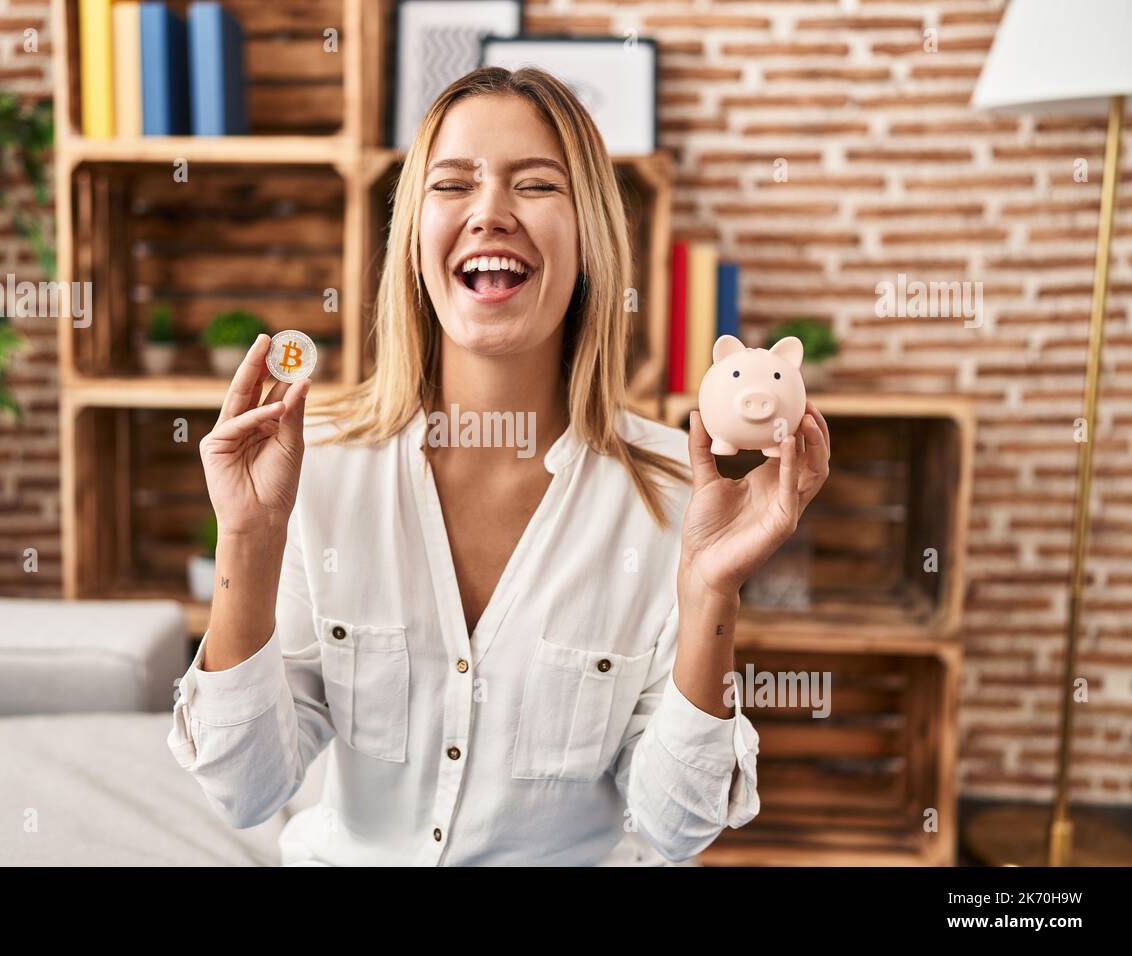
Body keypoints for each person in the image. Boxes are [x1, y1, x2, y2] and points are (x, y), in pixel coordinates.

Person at [167, 66, 830, 866]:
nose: (489, 213)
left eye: (536, 185)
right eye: (453, 184)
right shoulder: (319, 465)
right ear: (415, 238)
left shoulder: (679, 493)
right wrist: (247, 538)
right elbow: (247, 791)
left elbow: (674, 826)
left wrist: (709, 589)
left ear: (588, 239)